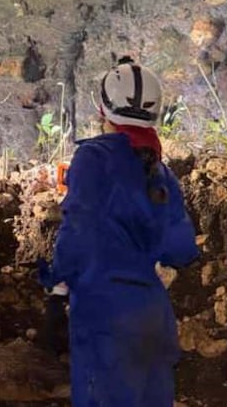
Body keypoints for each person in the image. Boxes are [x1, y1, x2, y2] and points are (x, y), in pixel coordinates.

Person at [39, 56, 201, 407]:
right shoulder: (162, 174)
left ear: (102, 109)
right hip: (153, 315)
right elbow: (182, 249)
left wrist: (58, 292)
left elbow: (77, 230)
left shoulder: (93, 159)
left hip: (104, 313)